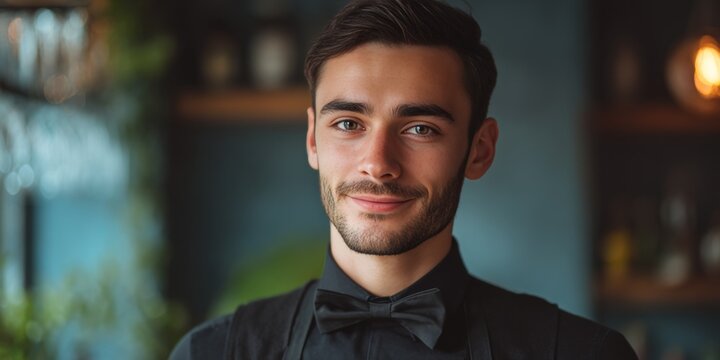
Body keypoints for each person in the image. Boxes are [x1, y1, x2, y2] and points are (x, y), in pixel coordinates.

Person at [170, 0, 638, 359]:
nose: (378, 164)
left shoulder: (581, 354)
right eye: (349, 124)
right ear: (313, 140)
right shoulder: (212, 353)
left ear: (480, 149)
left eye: (420, 129)